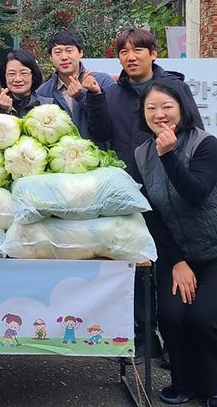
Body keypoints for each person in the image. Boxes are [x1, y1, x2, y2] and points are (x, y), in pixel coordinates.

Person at [82, 27, 205, 365]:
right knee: (136, 264)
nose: (130, 57)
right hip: (130, 190)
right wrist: (94, 98)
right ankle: (144, 338)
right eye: (124, 51)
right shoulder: (112, 92)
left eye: (138, 50)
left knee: (173, 260)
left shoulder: (174, 88)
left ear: (153, 54)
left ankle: (178, 341)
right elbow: (101, 134)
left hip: (171, 184)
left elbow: (194, 131)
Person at [133, 82, 217, 407]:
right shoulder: (141, 155)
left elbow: (196, 193)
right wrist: (177, 261)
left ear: (183, 107)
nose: (159, 114)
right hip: (182, 253)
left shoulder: (206, 145)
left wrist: (169, 155)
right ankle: (184, 382)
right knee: (172, 315)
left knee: (203, 317)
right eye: (151, 108)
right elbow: (152, 214)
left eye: (167, 106)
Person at [36, 30, 115, 138]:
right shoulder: (43, 92)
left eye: (69, 51)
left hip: (99, 152)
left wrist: (84, 95)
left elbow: (110, 124)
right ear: (50, 57)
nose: (64, 57)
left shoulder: (103, 81)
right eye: (57, 52)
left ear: (80, 53)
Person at [0, 49, 53, 116]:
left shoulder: (48, 105)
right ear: (4, 77)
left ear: (33, 77)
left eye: (24, 73)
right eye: (11, 73)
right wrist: (3, 111)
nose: (18, 79)